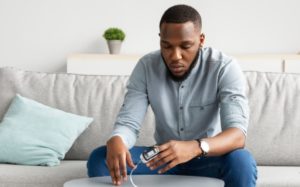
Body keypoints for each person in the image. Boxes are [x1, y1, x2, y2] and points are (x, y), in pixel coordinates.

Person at [87, 4, 257, 187]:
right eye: (167, 46)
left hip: (208, 158)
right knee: (99, 158)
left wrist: (195, 147)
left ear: (201, 40)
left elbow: (237, 136)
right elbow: (129, 123)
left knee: (242, 161)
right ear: (160, 39)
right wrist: (117, 139)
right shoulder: (146, 67)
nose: (175, 56)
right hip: (163, 160)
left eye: (185, 46)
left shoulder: (224, 67)